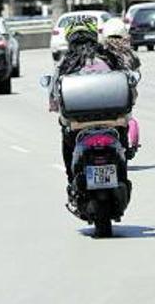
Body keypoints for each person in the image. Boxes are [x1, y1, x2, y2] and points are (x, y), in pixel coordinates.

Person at [48, 18, 128, 185]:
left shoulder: (64, 65)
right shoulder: (109, 59)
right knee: (124, 134)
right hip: (113, 121)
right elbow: (128, 88)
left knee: (66, 135)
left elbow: (54, 99)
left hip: (78, 125)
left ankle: (71, 179)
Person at [101, 18, 141, 151]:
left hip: (104, 93)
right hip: (124, 93)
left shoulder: (101, 51)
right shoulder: (128, 52)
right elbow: (136, 70)